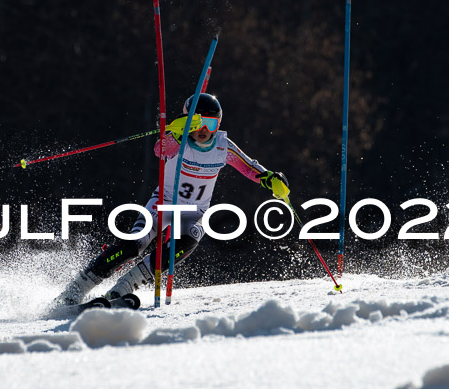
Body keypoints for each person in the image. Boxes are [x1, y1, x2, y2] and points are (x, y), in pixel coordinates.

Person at [57, 93, 289, 305]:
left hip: (194, 213)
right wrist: (176, 131)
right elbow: (160, 150)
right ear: (187, 121)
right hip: (163, 204)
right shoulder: (178, 142)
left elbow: (250, 167)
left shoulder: (222, 146)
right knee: (132, 245)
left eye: (211, 124)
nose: (204, 130)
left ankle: (123, 288)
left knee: (188, 240)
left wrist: (271, 179)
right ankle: (76, 289)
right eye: (197, 122)